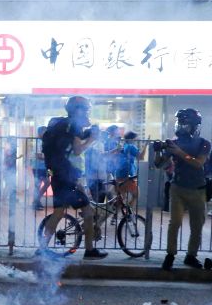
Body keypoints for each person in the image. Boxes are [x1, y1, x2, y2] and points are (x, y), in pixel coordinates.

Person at [39, 96, 107, 260]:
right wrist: (92, 139)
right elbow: (77, 150)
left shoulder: (63, 125)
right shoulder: (72, 126)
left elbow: (69, 146)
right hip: (68, 177)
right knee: (88, 213)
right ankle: (89, 250)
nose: (87, 112)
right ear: (79, 110)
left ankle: (41, 249)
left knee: (59, 212)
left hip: (59, 175)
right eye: (85, 109)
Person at [154, 108, 211, 271]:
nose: (181, 127)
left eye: (185, 124)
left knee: (197, 225)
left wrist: (178, 152)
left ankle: (191, 256)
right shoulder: (174, 141)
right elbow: (159, 164)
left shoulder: (204, 143)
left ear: (195, 126)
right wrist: (158, 151)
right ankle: (170, 255)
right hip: (177, 187)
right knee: (175, 223)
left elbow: (198, 163)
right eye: (180, 123)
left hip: (198, 189)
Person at [115, 131, 147, 210]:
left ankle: (114, 216)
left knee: (122, 198)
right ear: (132, 138)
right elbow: (141, 157)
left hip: (119, 174)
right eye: (136, 138)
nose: (138, 139)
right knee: (136, 194)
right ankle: (128, 213)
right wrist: (146, 146)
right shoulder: (131, 147)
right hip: (128, 175)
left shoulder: (124, 146)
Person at [31, 126, 50, 210]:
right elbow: (38, 155)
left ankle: (36, 201)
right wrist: (50, 157)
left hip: (43, 166)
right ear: (40, 133)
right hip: (38, 167)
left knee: (42, 184)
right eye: (45, 132)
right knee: (40, 184)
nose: (46, 134)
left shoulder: (44, 142)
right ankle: (36, 202)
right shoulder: (37, 142)